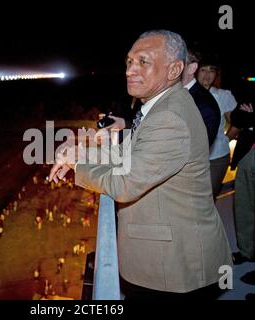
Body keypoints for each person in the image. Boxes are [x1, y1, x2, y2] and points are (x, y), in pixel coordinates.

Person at [49, 30, 233, 299]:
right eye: (129, 62)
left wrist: (78, 165)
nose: (130, 70)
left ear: (174, 70)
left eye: (143, 62)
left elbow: (125, 183)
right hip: (168, 261)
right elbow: (129, 152)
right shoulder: (164, 105)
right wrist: (84, 152)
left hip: (174, 270)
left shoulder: (170, 117)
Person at [96, 46, 221, 149]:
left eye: (176, 63)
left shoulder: (205, 106)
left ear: (192, 68)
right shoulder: (164, 92)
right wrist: (124, 124)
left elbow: (191, 149)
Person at [197, 55, 238, 198]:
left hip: (217, 156)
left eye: (211, 70)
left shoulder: (223, 95)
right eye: (203, 70)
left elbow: (235, 122)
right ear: (196, 71)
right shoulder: (186, 94)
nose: (207, 75)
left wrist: (225, 139)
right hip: (192, 157)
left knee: (208, 196)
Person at [229, 103, 255, 265]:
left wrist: (250, 118)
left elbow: (245, 118)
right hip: (247, 153)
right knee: (243, 205)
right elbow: (236, 117)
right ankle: (247, 251)